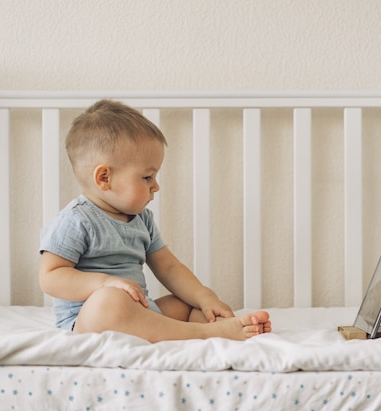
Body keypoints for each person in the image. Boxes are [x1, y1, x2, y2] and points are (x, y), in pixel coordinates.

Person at [39, 99, 271, 343]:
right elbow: (50, 276)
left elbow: (169, 268)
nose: (156, 186)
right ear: (104, 177)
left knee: (186, 303)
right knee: (111, 299)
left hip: (140, 310)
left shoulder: (142, 220)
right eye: (147, 177)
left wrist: (205, 297)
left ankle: (224, 327)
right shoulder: (76, 219)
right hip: (91, 319)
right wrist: (104, 283)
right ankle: (206, 333)